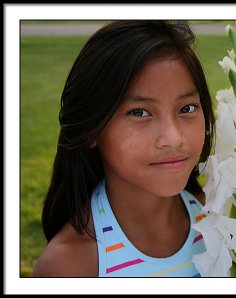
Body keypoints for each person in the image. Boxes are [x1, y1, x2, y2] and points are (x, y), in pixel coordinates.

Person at [32, 20, 215, 277]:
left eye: (187, 108)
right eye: (139, 112)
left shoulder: (221, 222)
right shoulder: (70, 266)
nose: (173, 138)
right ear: (92, 128)